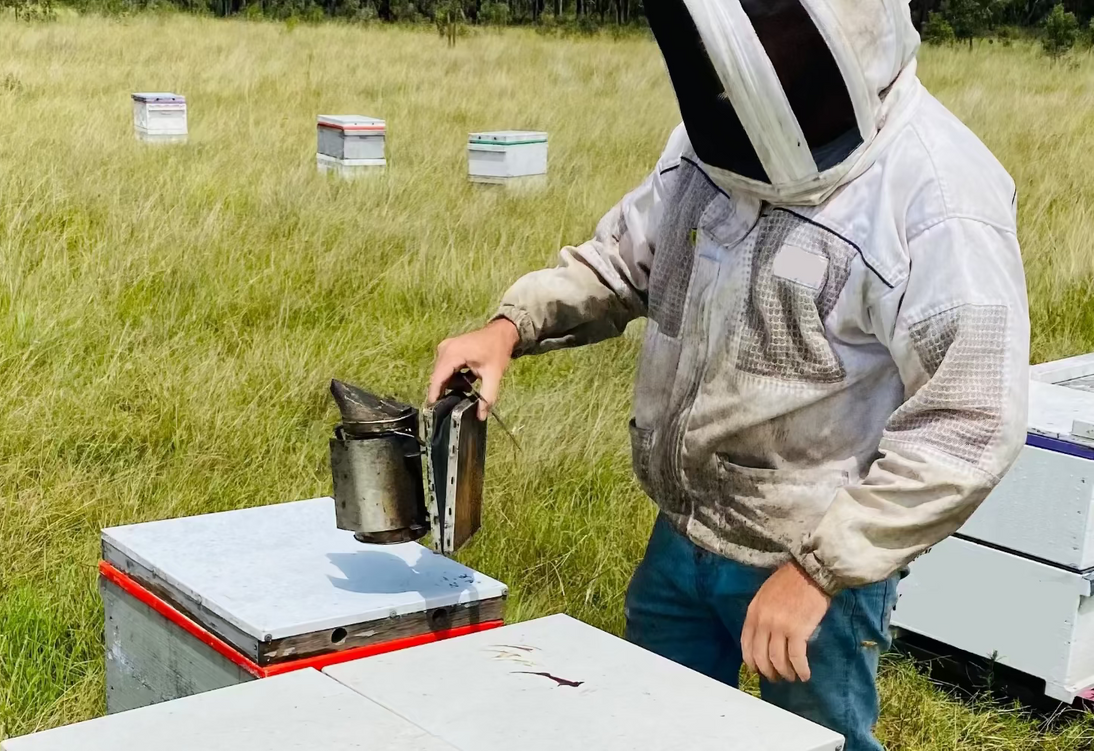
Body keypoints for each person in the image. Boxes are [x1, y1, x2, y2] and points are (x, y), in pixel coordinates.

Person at [427, 1, 1029, 748]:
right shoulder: (716, 137)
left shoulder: (938, 199)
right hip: (683, 535)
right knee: (655, 730)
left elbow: (970, 422)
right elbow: (623, 261)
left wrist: (819, 572)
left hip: (815, 568)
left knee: (818, 741)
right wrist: (508, 326)